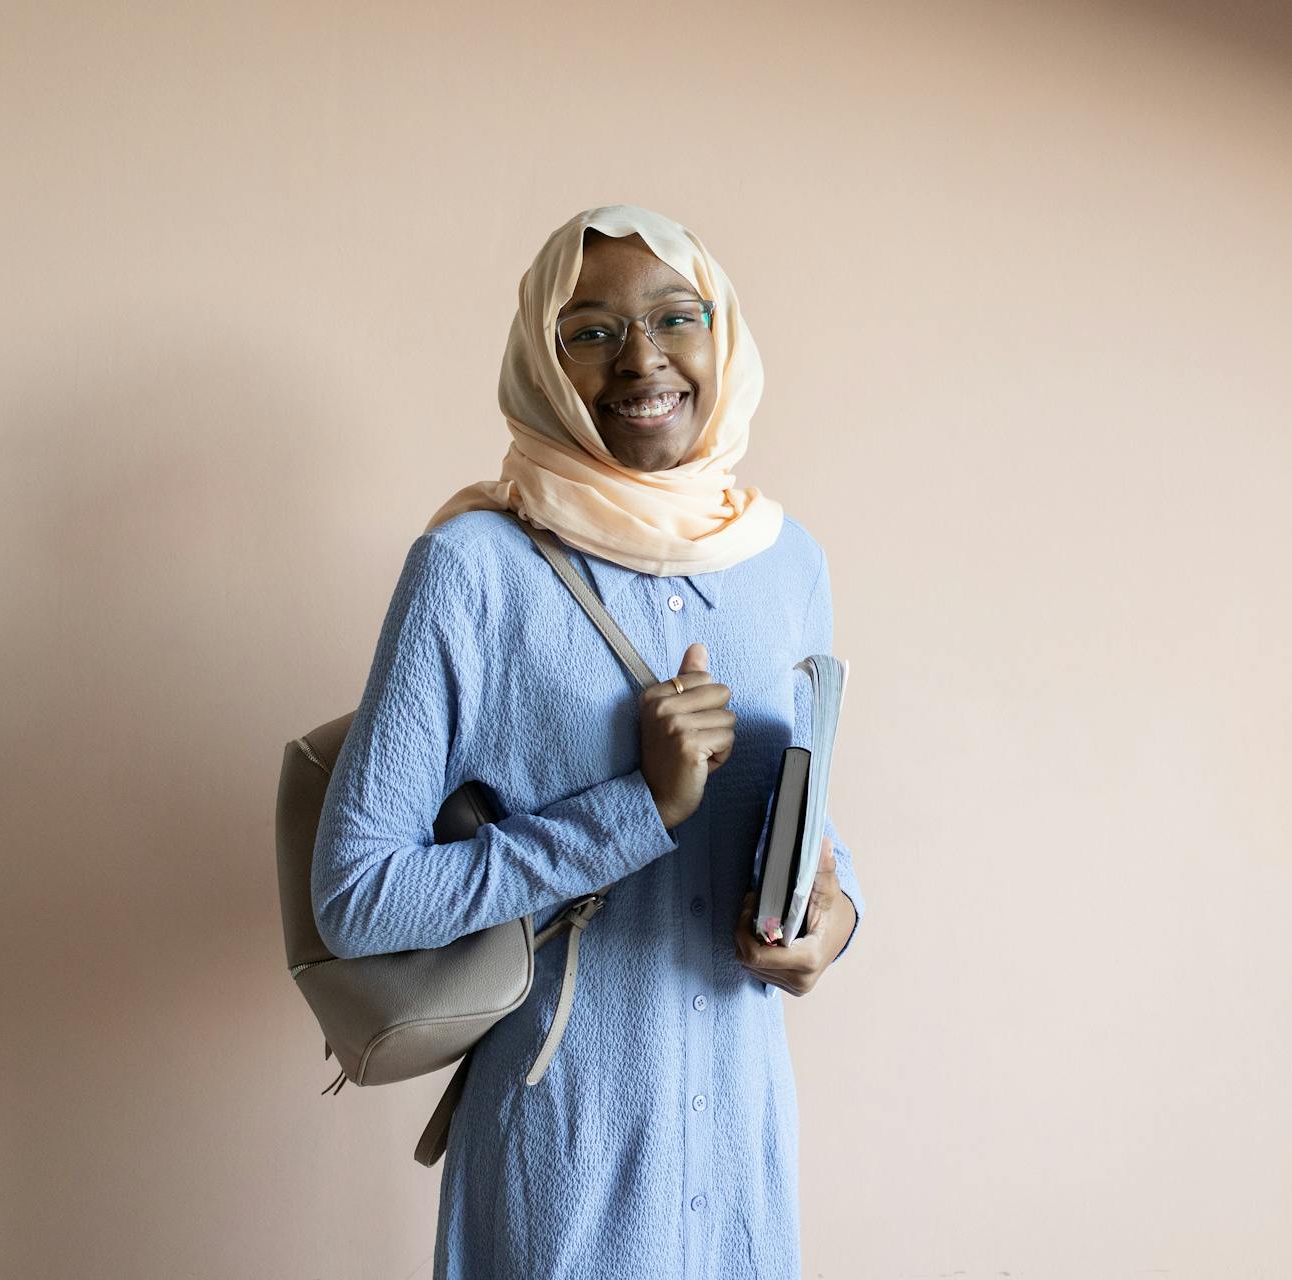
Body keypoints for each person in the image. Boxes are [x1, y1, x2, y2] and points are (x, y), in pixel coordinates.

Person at [310, 204, 866, 1280]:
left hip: (742, 1153)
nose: (643, 358)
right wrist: (637, 811)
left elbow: (816, 821)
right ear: (543, 356)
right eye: (593, 329)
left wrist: (833, 921)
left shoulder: (784, 558)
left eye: (675, 316)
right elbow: (357, 893)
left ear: (723, 333)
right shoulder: (472, 568)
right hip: (564, 1149)